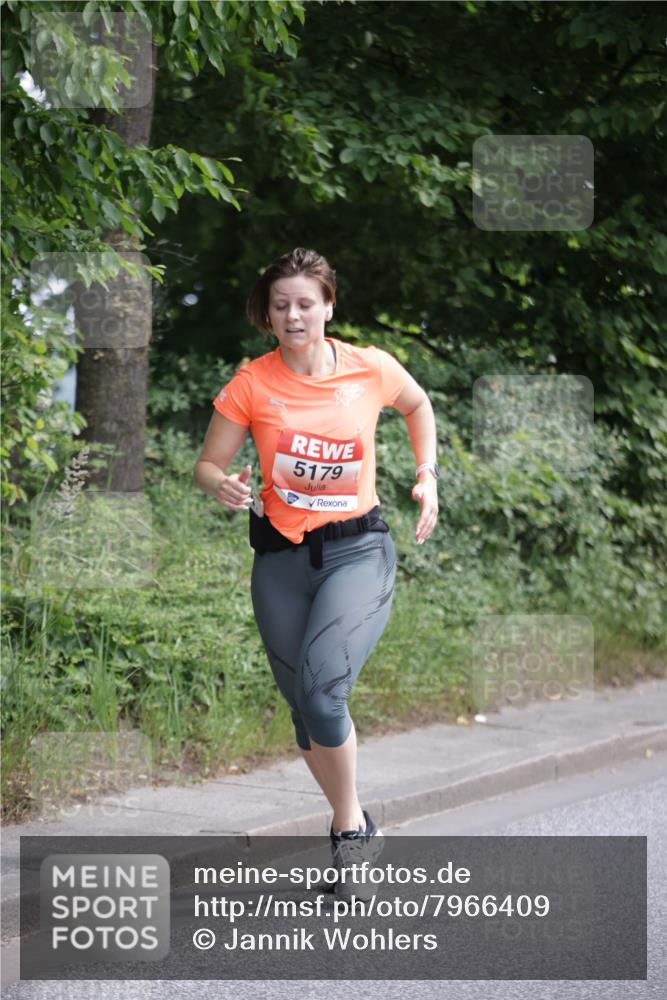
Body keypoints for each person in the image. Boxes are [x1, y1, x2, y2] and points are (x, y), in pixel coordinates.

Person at [193, 247, 439, 897]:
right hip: (278, 559)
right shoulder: (251, 383)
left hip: (357, 551)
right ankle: (355, 823)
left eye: (306, 303)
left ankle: (349, 831)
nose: (294, 315)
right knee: (303, 709)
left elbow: (417, 406)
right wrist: (222, 484)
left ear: (328, 305)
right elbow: (207, 465)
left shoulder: (369, 368)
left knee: (324, 690)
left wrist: (426, 477)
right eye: (281, 305)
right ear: (267, 315)